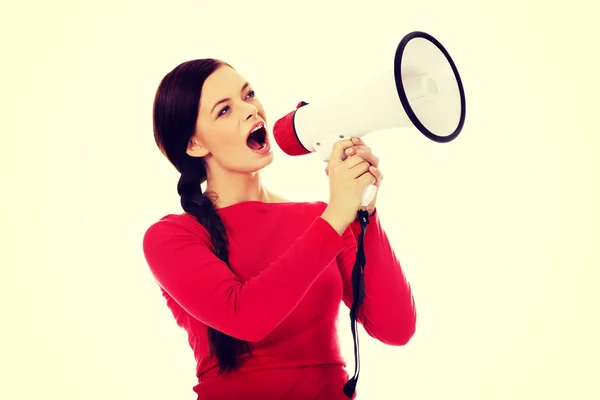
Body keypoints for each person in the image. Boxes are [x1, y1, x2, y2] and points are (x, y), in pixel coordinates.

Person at [142, 58, 417, 400]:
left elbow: (396, 327)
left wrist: (364, 211)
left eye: (249, 94)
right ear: (195, 144)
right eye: (224, 110)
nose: (250, 110)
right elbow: (246, 318)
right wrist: (336, 217)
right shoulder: (171, 237)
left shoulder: (324, 219)